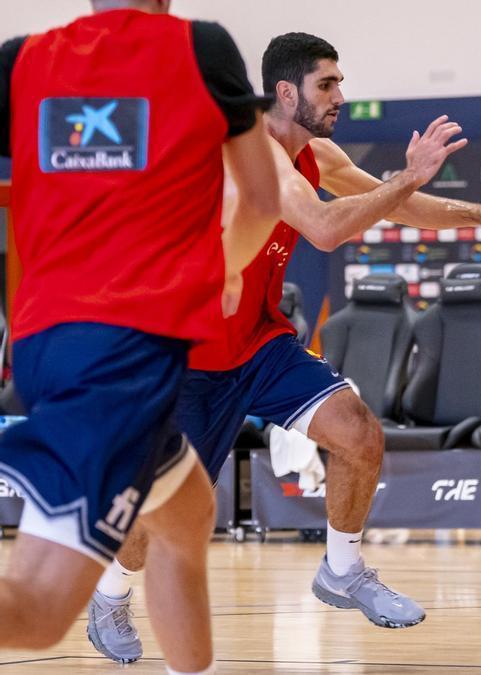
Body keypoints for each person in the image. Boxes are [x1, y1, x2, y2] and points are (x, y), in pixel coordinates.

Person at [85, 31, 481, 663]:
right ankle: (109, 594)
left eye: (340, 82)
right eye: (329, 84)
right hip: (190, 355)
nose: (341, 95)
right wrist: (408, 175)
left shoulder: (316, 152)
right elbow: (322, 228)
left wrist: (478, 214)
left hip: (260, 342)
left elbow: (397, 206)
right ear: (286, 91)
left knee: (359, 433)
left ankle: (342, 570)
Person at [0, 1, 281, 672]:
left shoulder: (20, 59)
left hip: (42, 341)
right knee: (38, 611)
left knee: (186, 513)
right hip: (122, 355)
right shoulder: (202, 49)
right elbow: (262, 201)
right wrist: (227, 272)